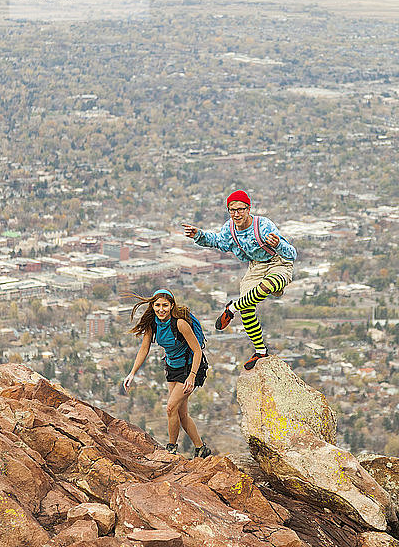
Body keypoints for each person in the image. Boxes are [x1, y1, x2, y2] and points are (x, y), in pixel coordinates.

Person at [182, 190, 297, 370]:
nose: (236, 214)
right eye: (232, 210)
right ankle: (260, 351)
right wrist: (198, 235)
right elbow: (217, 241)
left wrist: (278, 245)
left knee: (268, 286)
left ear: (248, 208)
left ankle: (232, 307)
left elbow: (292, 254)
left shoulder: (263, 225)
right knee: (247, 309)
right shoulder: (230, 229)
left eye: (240, 209)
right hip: (256, 267)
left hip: (278, 262)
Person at [123, 289, 211, 458]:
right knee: (180, 413)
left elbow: (198, 351)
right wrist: (132, 373)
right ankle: (201, 448)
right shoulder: (153, 323)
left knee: (170, 408)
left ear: (171, 306)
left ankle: (171, 448)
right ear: (152, 306)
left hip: (190, 367)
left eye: (165, 305)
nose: (161, 309)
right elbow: (144, 348)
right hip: (172, 367)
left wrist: (192, 376)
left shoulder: (180, 324)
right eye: (157, 305)